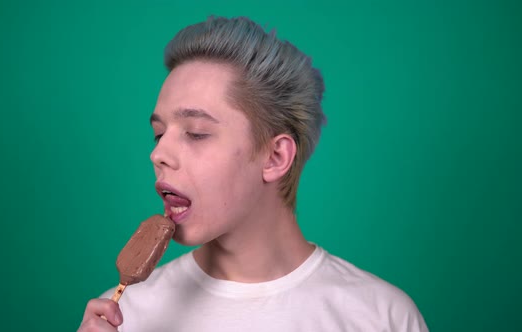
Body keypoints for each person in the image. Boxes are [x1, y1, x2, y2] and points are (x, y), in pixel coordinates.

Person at [78, 16, 428, 332]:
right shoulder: (122, 315)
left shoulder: (382, 317)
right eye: (159, 133)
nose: (158, 154)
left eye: (196, 132)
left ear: (276, 157)